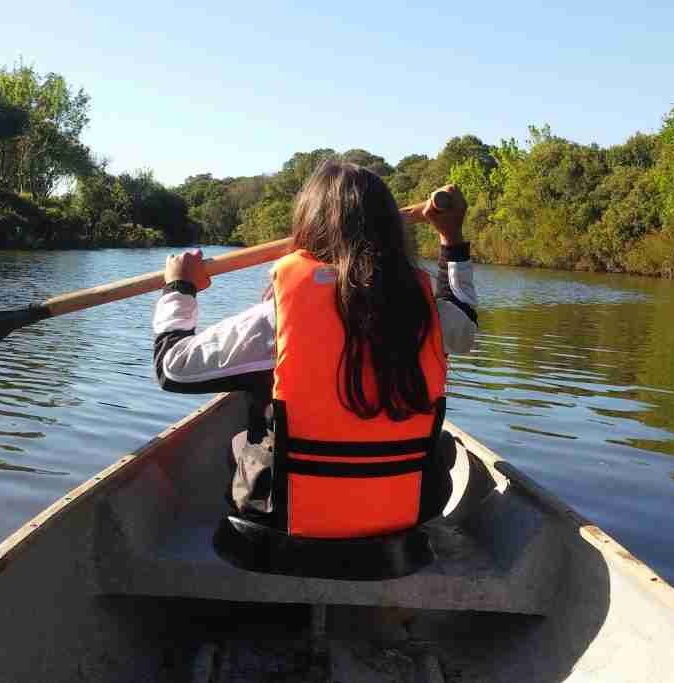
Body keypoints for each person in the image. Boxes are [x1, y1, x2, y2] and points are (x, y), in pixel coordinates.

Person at [152, 161, 478, 539]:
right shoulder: (429, 313)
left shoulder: (277, 320)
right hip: (402, 525)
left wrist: (179, 288)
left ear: (309, 227)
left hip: (283, 529)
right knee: (442, 448)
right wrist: (451, 239)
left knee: (241, 440)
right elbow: (464, 323)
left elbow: (172, 367)